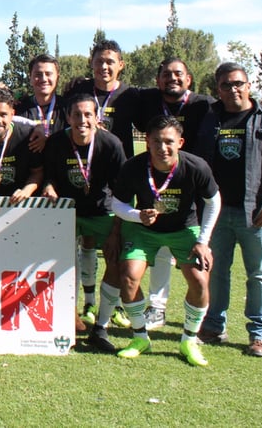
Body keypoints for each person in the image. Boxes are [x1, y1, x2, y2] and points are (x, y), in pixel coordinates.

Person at [192, 62, 262, 357]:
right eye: (226, 85)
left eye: (238, 83)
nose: (233, 89)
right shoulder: (209, 120)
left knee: (259, 273)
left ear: (248, 86)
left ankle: (259, 335)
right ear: (218, 90)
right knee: (217, 272)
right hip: (217, 213)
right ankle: (214, 326)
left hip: (257, 213)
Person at [110, 115, 221, 367]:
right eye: (156, 141)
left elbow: (213, 201)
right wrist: (137, 215)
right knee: (128, 276)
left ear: (180, 142)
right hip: (144, 229)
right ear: (147, 142)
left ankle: (188, 340)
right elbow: (117, 203)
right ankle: (140, 338)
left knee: (200, 281)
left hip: (184, 229)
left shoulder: (196, 166)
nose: (162, 148)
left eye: (169, 142)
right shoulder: (133, 167)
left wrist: (203, 241)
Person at [130, 58, 213, 331]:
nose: (172, 79)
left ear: (189, 79)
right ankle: (157, 306)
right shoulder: (147, 100)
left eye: (178, 74)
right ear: (157, 80)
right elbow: (117, 93)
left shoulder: (205, 104)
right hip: (157, 181)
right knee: (161, 246)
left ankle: (209, 319)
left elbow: (237, 105)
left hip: (194, 185)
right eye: (166, 74)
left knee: (203, 256)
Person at [40, 94, 127, 351]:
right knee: (61, 263)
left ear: (96, 117)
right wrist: (49, 187)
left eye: (87, 114)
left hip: (103, 212)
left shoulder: (111, 144)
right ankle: (69, 316)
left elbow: (123, 192)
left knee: (116, 261)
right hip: (69, 212)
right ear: (67, 118)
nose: (82, 120)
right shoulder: (56, 143)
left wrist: (116, 231)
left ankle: (100, 327)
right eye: (76, 115)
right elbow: (48, 178)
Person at [15, 54, 66, 153]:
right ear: (30, 78)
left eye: (48, 74)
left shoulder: (67, 107)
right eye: (38, 74)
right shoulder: (20, 107)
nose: (43, 79)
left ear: (57, 78)